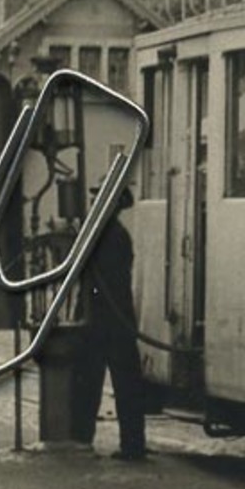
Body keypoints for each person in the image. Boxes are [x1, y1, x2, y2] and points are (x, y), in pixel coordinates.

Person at [76, 185, 148, 460]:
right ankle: (132, 444)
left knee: (95, 383)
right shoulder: (110, 233)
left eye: (99, 198)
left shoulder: (109, 235)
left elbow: (98, 277)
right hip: (115, 317)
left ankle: (86, 439)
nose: (93, 202)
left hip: (106, 317)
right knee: (123, 384)